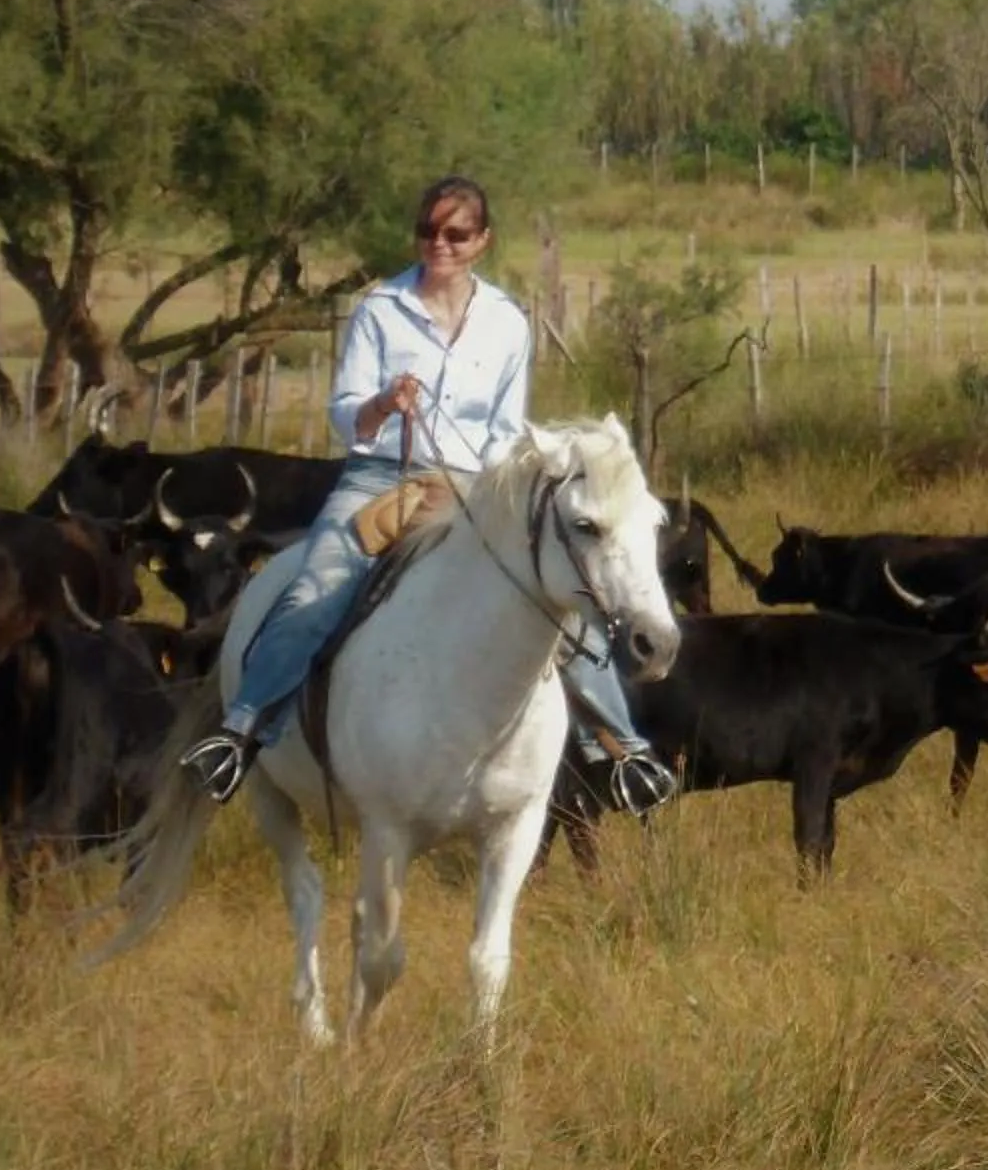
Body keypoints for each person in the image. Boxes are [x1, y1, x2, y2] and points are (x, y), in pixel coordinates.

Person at [177, 176, 677, 814]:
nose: (438, 244)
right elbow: (344, 414)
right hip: (380, 479)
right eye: (427, 231)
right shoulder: (379, 310)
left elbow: (504, 427)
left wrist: (493, 490)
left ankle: (620, 749)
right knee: (316, 587)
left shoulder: (505, 322)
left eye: (455, 233)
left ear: (481, 241)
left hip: (472, 486)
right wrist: (383, 403)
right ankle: (241, 731)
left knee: (556, 590)